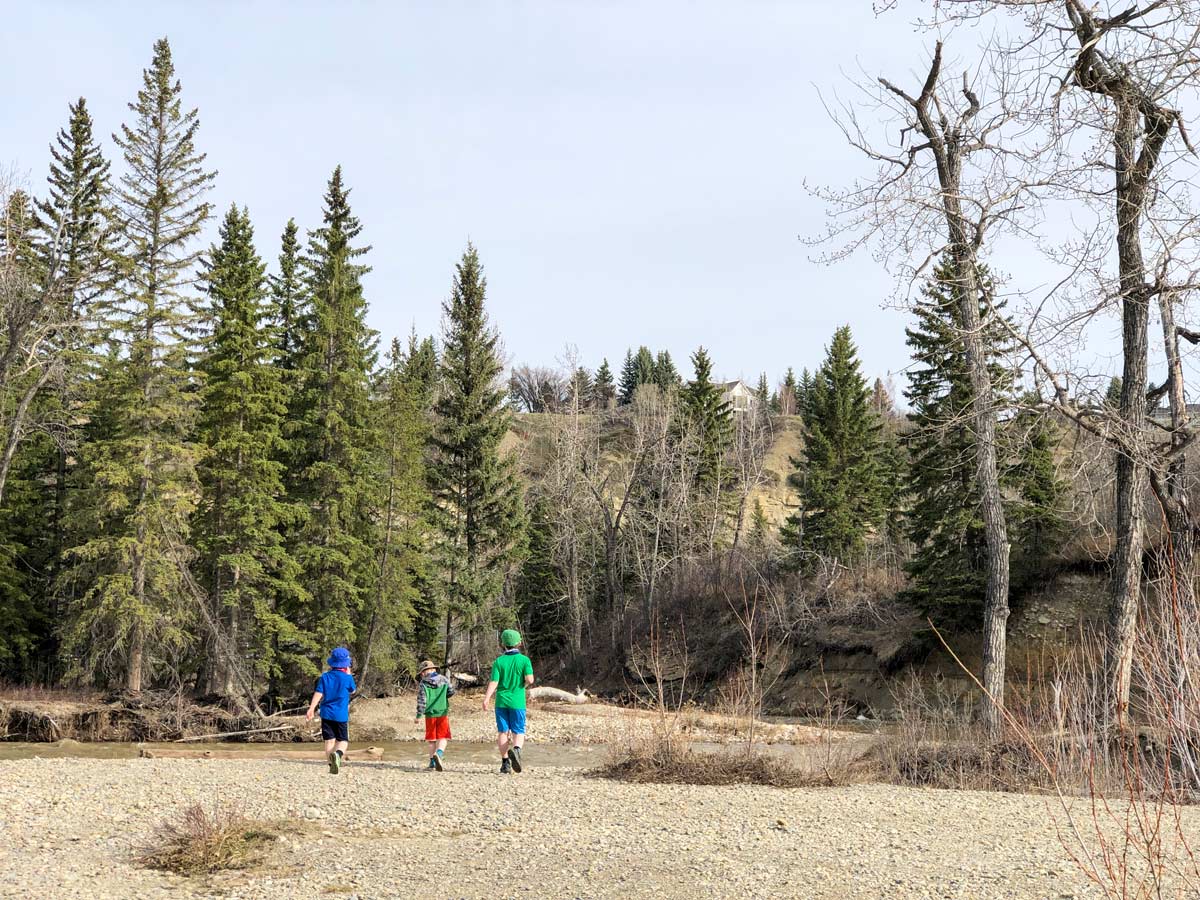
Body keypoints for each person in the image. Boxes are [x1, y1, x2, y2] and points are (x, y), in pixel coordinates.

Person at [482, 629, 534, 774]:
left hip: (501, 702)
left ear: (503, 644)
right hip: (517, 701)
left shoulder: (499, 661)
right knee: (518, 730)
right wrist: (523, 684)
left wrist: (486, 698)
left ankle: (505, 763)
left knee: (503, 732)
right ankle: (516, 751)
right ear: (519, 643)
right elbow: (530, 679)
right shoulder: (524, 660)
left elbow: (494, 682)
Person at [306, 647, 356, 774]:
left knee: (329, 740)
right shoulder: (347, 678)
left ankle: (330, 763)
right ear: (346, 664)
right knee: (343, 741)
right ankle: (338, 755)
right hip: (341, 715)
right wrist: (349, 675)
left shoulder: (325, 677)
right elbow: (353, 690)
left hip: (326, 713)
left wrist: (311, 708)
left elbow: (318, 693)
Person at [414, 659, 455, 771]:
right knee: (443, 737)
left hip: (430, 715)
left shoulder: (423, 684)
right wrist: (443, 696)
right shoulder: (444, 679)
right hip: (442, 712)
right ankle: (439, 753)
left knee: (432, 740)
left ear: (423, 672)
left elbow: (422, 701)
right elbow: (451, 691)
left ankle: (432, 762)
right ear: (433, 669)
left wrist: (418, 716)